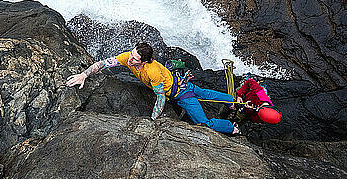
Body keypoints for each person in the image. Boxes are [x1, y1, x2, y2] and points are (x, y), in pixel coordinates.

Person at [66, 42, 240, 135]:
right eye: (132, 55)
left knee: (202, 123)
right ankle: (232, 101)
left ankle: (230, 127)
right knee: (203, 92)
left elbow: (161, 98)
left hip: (181, 93)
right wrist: (84, 75)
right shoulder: (127, 57)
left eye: (135, 59)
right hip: (180, 81)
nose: (130, 60)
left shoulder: (152, 71)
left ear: (144, 61)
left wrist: (152, 120)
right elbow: (103, 64)